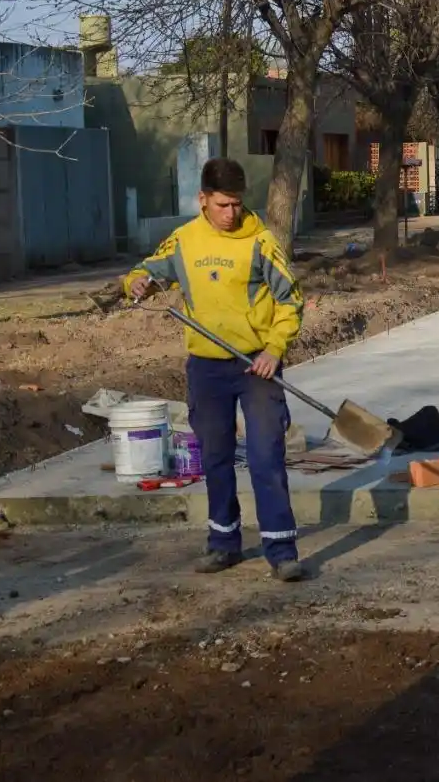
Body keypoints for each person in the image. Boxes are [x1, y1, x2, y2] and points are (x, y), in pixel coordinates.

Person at [123, 157, 307, 582]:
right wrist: (135, 282)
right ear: (202, 200)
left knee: (266, 457)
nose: (231, 213)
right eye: (223, 204)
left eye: (237, 204)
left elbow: (291, 301)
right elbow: (146, 270)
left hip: (256, 367)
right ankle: (223, 543)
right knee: (215, 457)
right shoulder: (184, 240)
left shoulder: (261, 241)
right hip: (206, 368)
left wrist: (274, 349)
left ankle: (282, 551)